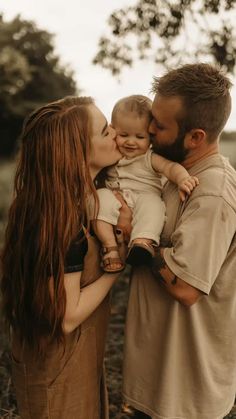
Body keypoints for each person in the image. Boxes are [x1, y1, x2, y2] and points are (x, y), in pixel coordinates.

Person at [121, 63, 236, 419]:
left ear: (196, 137)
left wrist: (132, 236)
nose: (149, 130)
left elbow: (186, 287)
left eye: (159, 125)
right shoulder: (177, 174)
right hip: (159, 382)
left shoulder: (212, 192)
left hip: (186, 396)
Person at [0, 96, 125, 419]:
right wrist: (116, 265)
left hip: (69, 361)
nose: (115, 132)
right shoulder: (60, 221)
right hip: (58, 372)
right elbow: (66, 316)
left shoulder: (62, 203)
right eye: (104, 131)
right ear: (76, 153)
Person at [93, 95, 198, 273]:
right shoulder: (112, 155)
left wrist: (182, 178)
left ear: (150, 138)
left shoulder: (149, 158)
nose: (131, 141)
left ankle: (142, 242)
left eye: (139, 137)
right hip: (114, 201)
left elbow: (170, 167)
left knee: (154, 206)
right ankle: (110, 247)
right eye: (124, 135)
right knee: (99, 198)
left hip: (143, 198)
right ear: (113, 130)